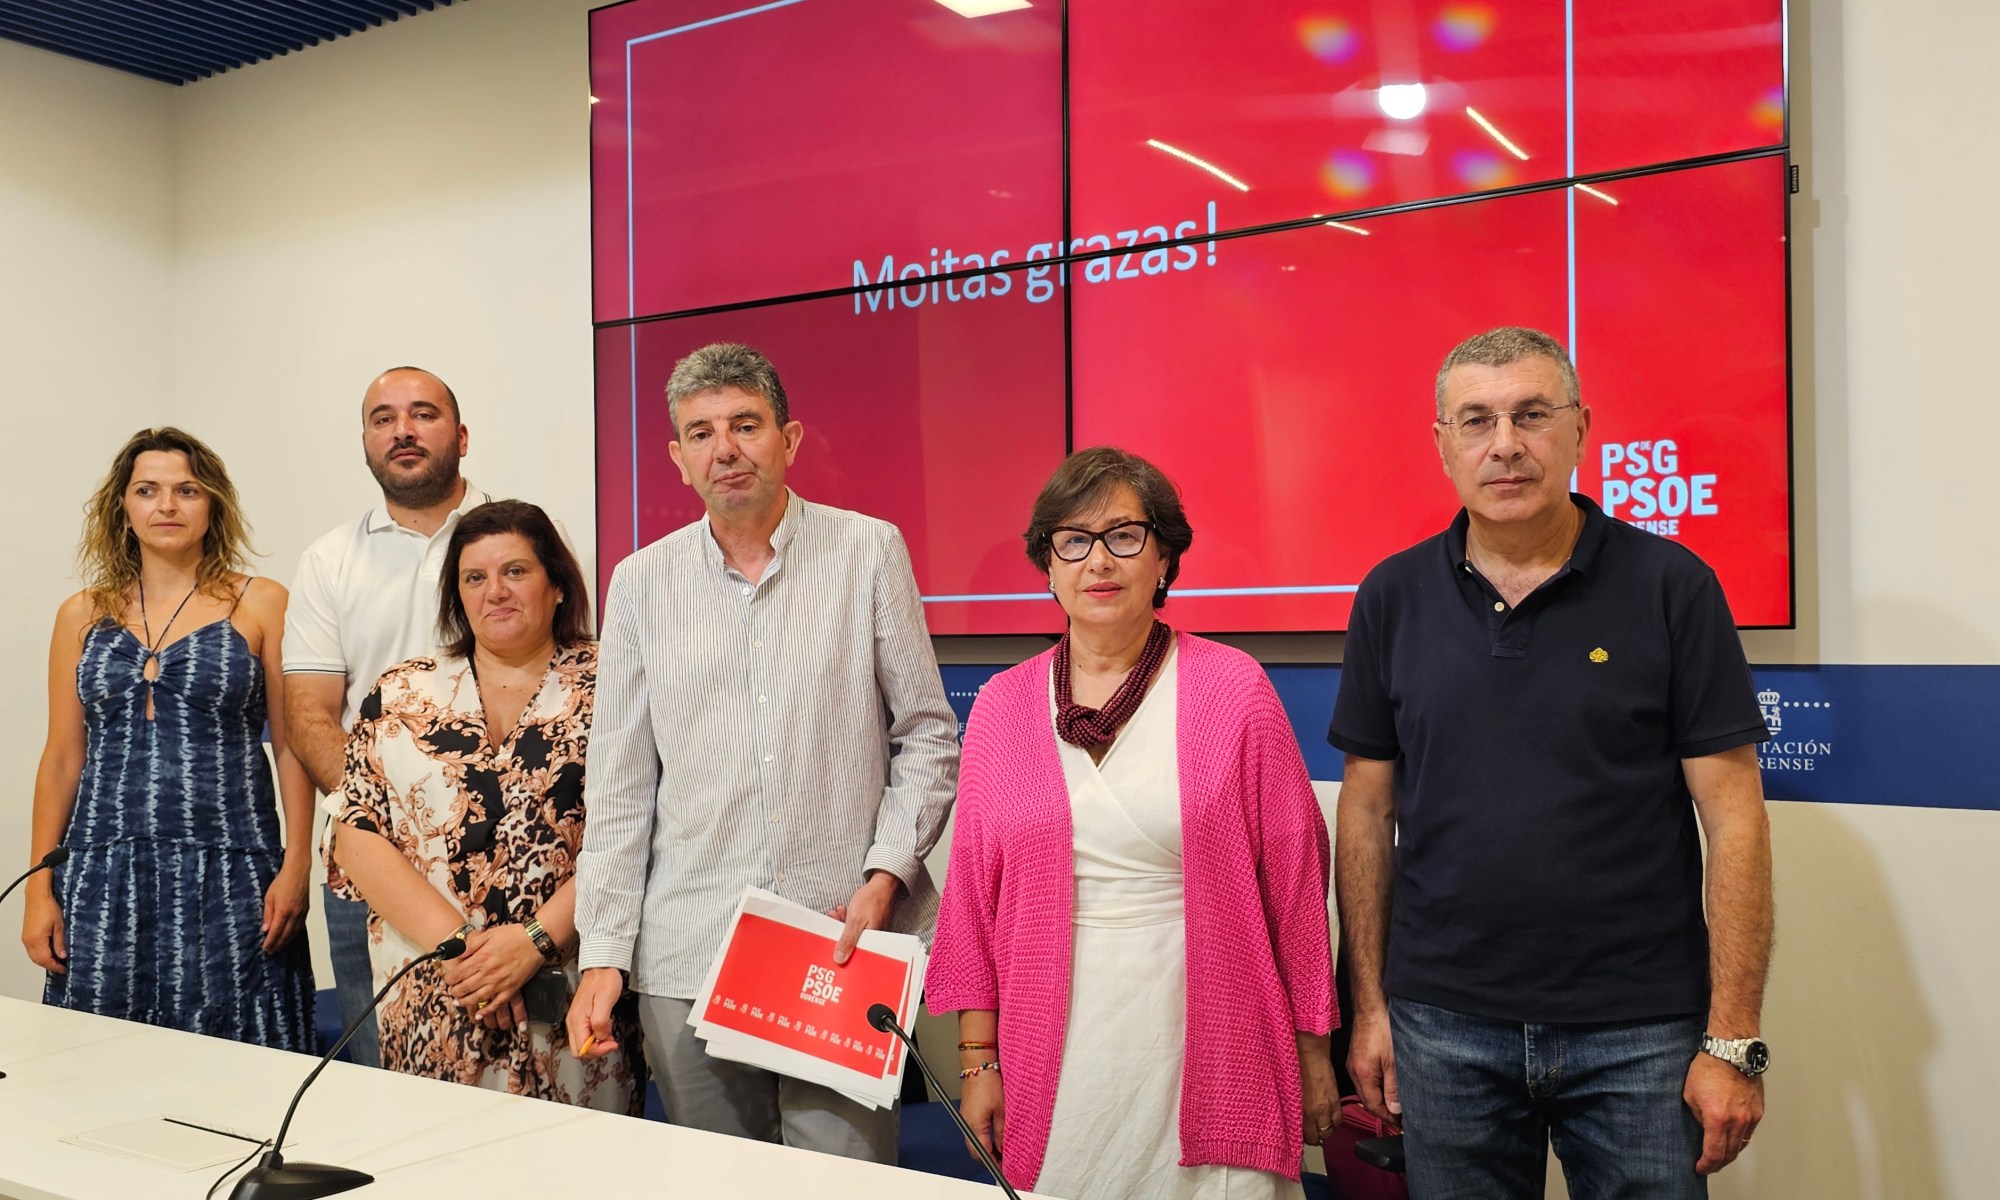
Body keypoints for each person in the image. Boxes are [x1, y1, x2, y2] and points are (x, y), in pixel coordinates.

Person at [1330, 327, 1774, 1199]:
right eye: (1477, 420)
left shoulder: (1672, 586)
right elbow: (1366, 812)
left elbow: (1735, 818)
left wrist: (1732, 1039)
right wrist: (1369, 1008)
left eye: (1532, 414)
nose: (1505, 444)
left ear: (1580, 429)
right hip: (1442, 1027)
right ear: (1443, 444)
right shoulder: (1391, 596)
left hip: (1640, 1033)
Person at [565, 342, 959, 1162]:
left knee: (845, 1181)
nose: (726, 449)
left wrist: (885, 876)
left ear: (790, 438)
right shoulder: (640, 583)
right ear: (678, 459)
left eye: (746, 425)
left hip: (837, 940)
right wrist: (602, 955)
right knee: (723, 1182)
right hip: (690, 949)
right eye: (701, 433)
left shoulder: (868, 551)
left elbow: (927, 734)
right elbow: (621, 788)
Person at [925, 446, 1339, 1200]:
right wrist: (978, 1061)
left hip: (1217, 1031)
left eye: (1124, 535)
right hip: (1056, 1044)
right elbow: (973, 905)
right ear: (1047, 565)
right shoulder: (1001, 709)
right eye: (1073, 541)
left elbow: (1297, 882)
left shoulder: (1235, 689)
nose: (1099, 561)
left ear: (1164, 558)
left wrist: (1314, 1052)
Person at [325, 500, 640, 1110]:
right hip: (436, 993)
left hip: (576, 995)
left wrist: (532, 943)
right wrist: (463, 953)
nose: (495, 591)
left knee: (581, 1158)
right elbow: (357, 833)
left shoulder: (618, 680)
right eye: (475, 577)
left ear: (556, 584)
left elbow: (641, 831)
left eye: (515, 571)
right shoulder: (400, 692)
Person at [24, 427, 315, 1050]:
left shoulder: (262, 602)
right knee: (98, 1056)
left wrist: (297, 864)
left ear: (213, 504)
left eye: (187, 490)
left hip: (233, 869)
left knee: (242, 1049)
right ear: (122, 507)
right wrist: (37, 889)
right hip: (102, 872)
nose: (167, 505)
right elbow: (62, 759)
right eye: (147, 490)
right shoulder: (81, 614)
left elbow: (292, 747)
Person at [285, 366, 490, 1070]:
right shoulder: (329, 559)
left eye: (423, 413)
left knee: (526, 1078)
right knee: (384, 1084)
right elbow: (309, 714)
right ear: (366, 442)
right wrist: (380, 827)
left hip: (508, 856)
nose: (403, 430)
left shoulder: (523, 538)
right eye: (383, 418)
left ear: (461, 436)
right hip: (370, 861)